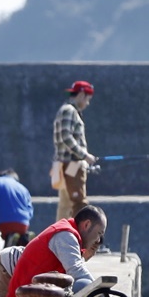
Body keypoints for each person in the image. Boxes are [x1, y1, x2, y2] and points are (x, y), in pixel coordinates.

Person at [51, 79, 97, 222]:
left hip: (64, 165)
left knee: (65, 204)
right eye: (88, 99)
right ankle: (81, 237)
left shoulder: (64, 110)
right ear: (82, 95)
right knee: (79, 203)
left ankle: (58, 236)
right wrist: (85, 155)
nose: (87, 103)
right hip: (72, 165)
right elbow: (66, 136)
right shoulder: (70, 111)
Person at [0, 167, 34, 246]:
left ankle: (9, 239)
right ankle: (23, 237)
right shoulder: (23, 188)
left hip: (4, 223)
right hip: (23, 224)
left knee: (2, 234)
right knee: (19, 240)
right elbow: (30, 210)